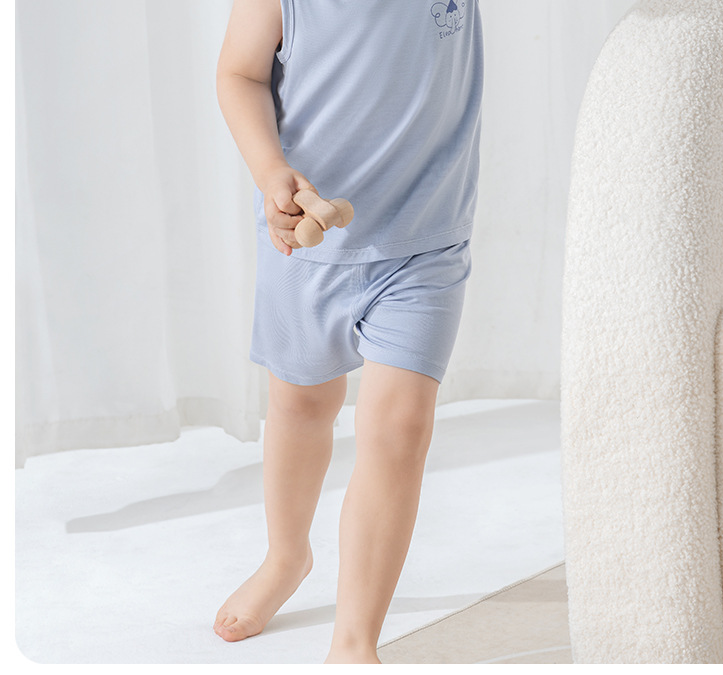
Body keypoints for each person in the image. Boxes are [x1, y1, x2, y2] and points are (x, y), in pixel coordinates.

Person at [213, 0, 483, 664]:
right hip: (303, 240)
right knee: (300, 405)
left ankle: (354, 644)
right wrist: (270, 172)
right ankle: (287, 555)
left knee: (399, 429)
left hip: (424, 241)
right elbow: (240, 74)